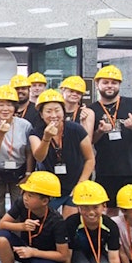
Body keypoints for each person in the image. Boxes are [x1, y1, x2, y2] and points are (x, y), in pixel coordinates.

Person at [0, 172, 70, 263]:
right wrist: (21, 226)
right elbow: (2, 224)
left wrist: (34, 252)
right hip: (26, 250)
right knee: (1, 238)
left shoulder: (57, 221)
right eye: (25, 193)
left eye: (30, 195)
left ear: (45, 201)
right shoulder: (22, 203)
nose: (25, 197)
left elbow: (63, 255)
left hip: (46, 256)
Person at [91, 65, 132, 216]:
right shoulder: (92, 109)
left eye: (114, 82)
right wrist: (100, 131)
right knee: (109, 210)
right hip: (106, 171)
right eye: (105, 82)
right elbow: (89, 141)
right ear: (97, 84)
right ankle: (113, 239)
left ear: (119, 85)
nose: (109, 86)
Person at [0, 85, 33, 263]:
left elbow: (29, 152)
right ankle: (0, 250)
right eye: (1, 105)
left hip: (19, 171)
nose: (5, 109)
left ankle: (18, 251)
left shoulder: (25, 125)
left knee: (18, 210)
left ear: (15, 107)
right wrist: (1, 134)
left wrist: (28, 173)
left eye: (9, 105)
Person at [59, 181, 126, 263]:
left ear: (104, 207)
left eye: (95, 207)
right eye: (85, 207)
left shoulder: (110, 226)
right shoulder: (71, 223)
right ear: (78, 207)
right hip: (77, 255)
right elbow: (67, 256)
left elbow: (114, 258)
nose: (90, 212)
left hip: (97, 252)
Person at [29, 89, 95, 218]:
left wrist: (81, 184)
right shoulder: (36, 132)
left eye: (57, 110)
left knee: (70, 222)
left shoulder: (77, 129)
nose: (53, 115)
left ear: (63, 112)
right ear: (41, 115)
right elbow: (39, 157)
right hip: (49, 188)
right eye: (48, 111)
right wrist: (46, 138)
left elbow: (90, 159)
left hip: (75, 183)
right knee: (46, 221)